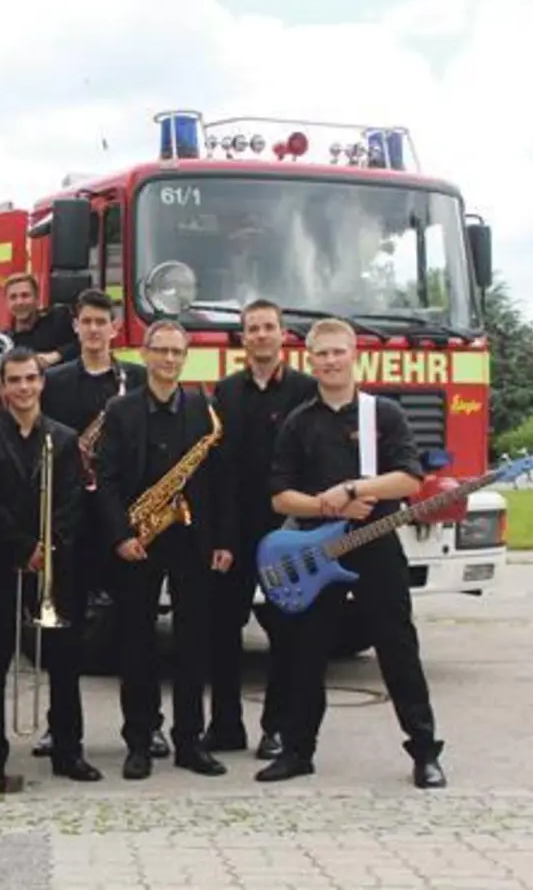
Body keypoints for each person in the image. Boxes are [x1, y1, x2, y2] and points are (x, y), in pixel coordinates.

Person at [264, 318, 447, 788]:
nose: (330, 361)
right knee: (305, 655)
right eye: (321, 354)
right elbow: (280, 497)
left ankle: (425, 751)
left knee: (398, 649)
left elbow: (409, 478)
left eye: (338, 352)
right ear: (310, 360)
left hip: (376, 548)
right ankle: (297, 752)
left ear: (354, 355)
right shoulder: (298, 422)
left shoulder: (383, 414)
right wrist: (326, 505)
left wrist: (353, 489)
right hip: (317, 553)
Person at [94, 319, 235, 781]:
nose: (169, 359)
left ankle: (189, 741)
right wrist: (121, 535)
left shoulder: (202, 408)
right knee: (136, 643)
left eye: (177, 352)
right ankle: (139, 741)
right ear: (146, 354)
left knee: (194, 643)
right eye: (162, 351)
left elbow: (220, 481)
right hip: (140, 538)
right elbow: (106, 480)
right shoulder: (120, 410)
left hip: (191, 538)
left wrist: (223, 540)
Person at [35, 288, 154, 760]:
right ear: (75, 326)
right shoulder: (55, 381)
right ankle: (60, 728)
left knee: (137, 631)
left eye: (101, 322)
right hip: (73, 521)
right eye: (86, 322)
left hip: (122, 518)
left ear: (114, 328)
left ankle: (146, 726)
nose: (93, 330)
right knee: (65, 635)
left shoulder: (135, 378)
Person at [0, 348, 99, 783]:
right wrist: (23, 547)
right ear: (3, 387)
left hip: (55, 566)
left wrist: (48, 546)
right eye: (15, 380)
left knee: (64, 665)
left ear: (42, 383)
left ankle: (68, 750)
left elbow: (73, 501)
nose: (24, 387)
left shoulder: (63, 439)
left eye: (30, 378)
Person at [206, 299, 315, 761]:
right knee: (222, 630)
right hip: (237, 530)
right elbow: (221, 471)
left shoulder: (307, 390)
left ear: (283, 334)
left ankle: (277, 729)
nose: (261, 335)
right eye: (253, 328)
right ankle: (225, 726)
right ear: (243, 338)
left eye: (269, 326)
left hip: (289, 530)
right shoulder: (226, 392)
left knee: (286, 631)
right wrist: (222, 538)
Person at [3, 273, 78, 368]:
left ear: (37, 298)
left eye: (25, 295)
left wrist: (58, 355)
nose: (19, 302)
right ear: (6, 302)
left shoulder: (59, 318)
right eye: (13, 297)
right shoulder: (5, 341)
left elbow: (85, 343)